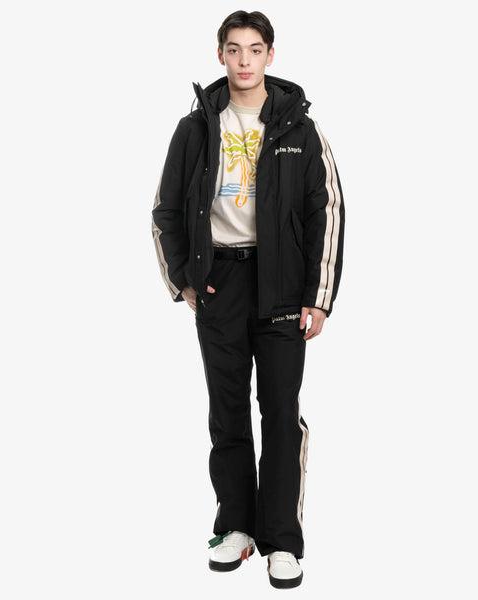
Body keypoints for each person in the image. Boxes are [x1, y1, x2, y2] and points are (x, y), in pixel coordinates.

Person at [152, 10, 344, 589]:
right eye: (233, 49)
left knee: (280, 412)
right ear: (220, 56)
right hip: (220, 284)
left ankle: (282, 541)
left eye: (254, 49)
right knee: (227, 410)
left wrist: (319, 297)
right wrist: (183, 280)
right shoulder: (195, 128)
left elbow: (327, 211)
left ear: (270, 56)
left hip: (282, 284)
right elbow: (164, 210)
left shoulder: (300, 129)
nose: (243, 61)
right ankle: (235, 525)